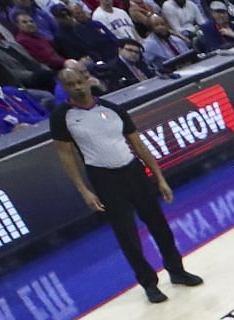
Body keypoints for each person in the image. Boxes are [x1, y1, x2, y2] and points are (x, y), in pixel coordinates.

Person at [49, 62, 201, 301]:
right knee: (127, 234)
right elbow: (65, 155)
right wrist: (84, 191)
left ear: (87, 80)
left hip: (133, 171)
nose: (77, 87)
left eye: (79, 81)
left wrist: (159, 178)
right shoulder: (62, 117)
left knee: (159, 225)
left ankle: (177, 270)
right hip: (103, 177)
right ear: (64, 88)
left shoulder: (112, 109)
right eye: (70, 85)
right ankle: (149, 283)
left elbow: (138, 144)